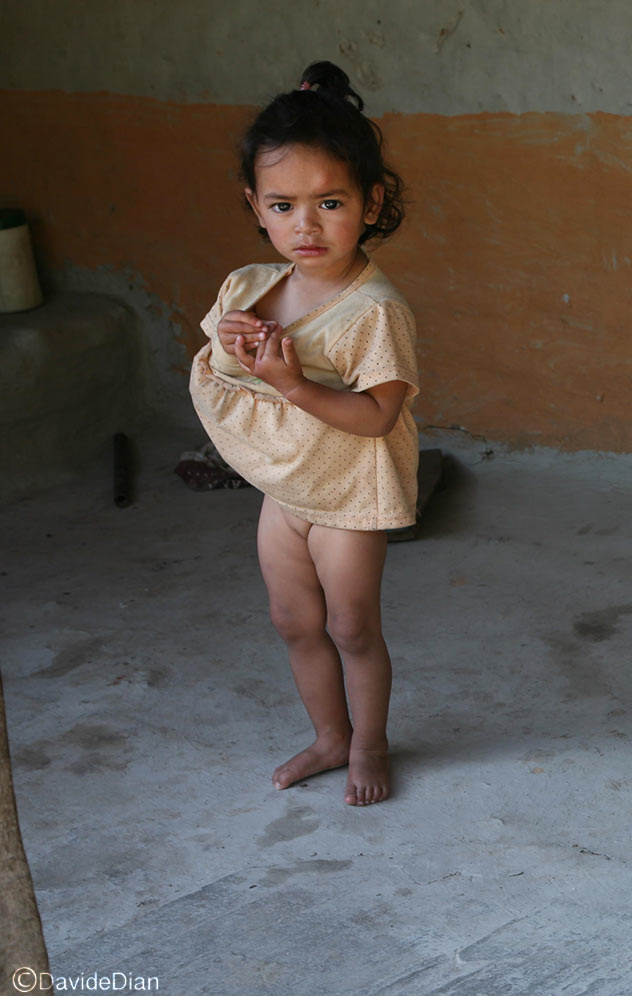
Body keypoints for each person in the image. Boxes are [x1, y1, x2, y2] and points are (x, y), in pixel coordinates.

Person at [188, 61, 417, 806]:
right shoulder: (251, 287)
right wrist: (232, 342)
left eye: (330, 202)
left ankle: (369, 744)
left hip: (349, 496)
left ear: (371, 202)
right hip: (287, 489)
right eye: (283, 205)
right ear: (255, 206)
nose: (305, 226)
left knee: (352, 628)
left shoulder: (374, 311)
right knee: (292, 621)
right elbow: (225, 371)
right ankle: (328, 736)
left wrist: (294, 384)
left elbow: (378, 416)